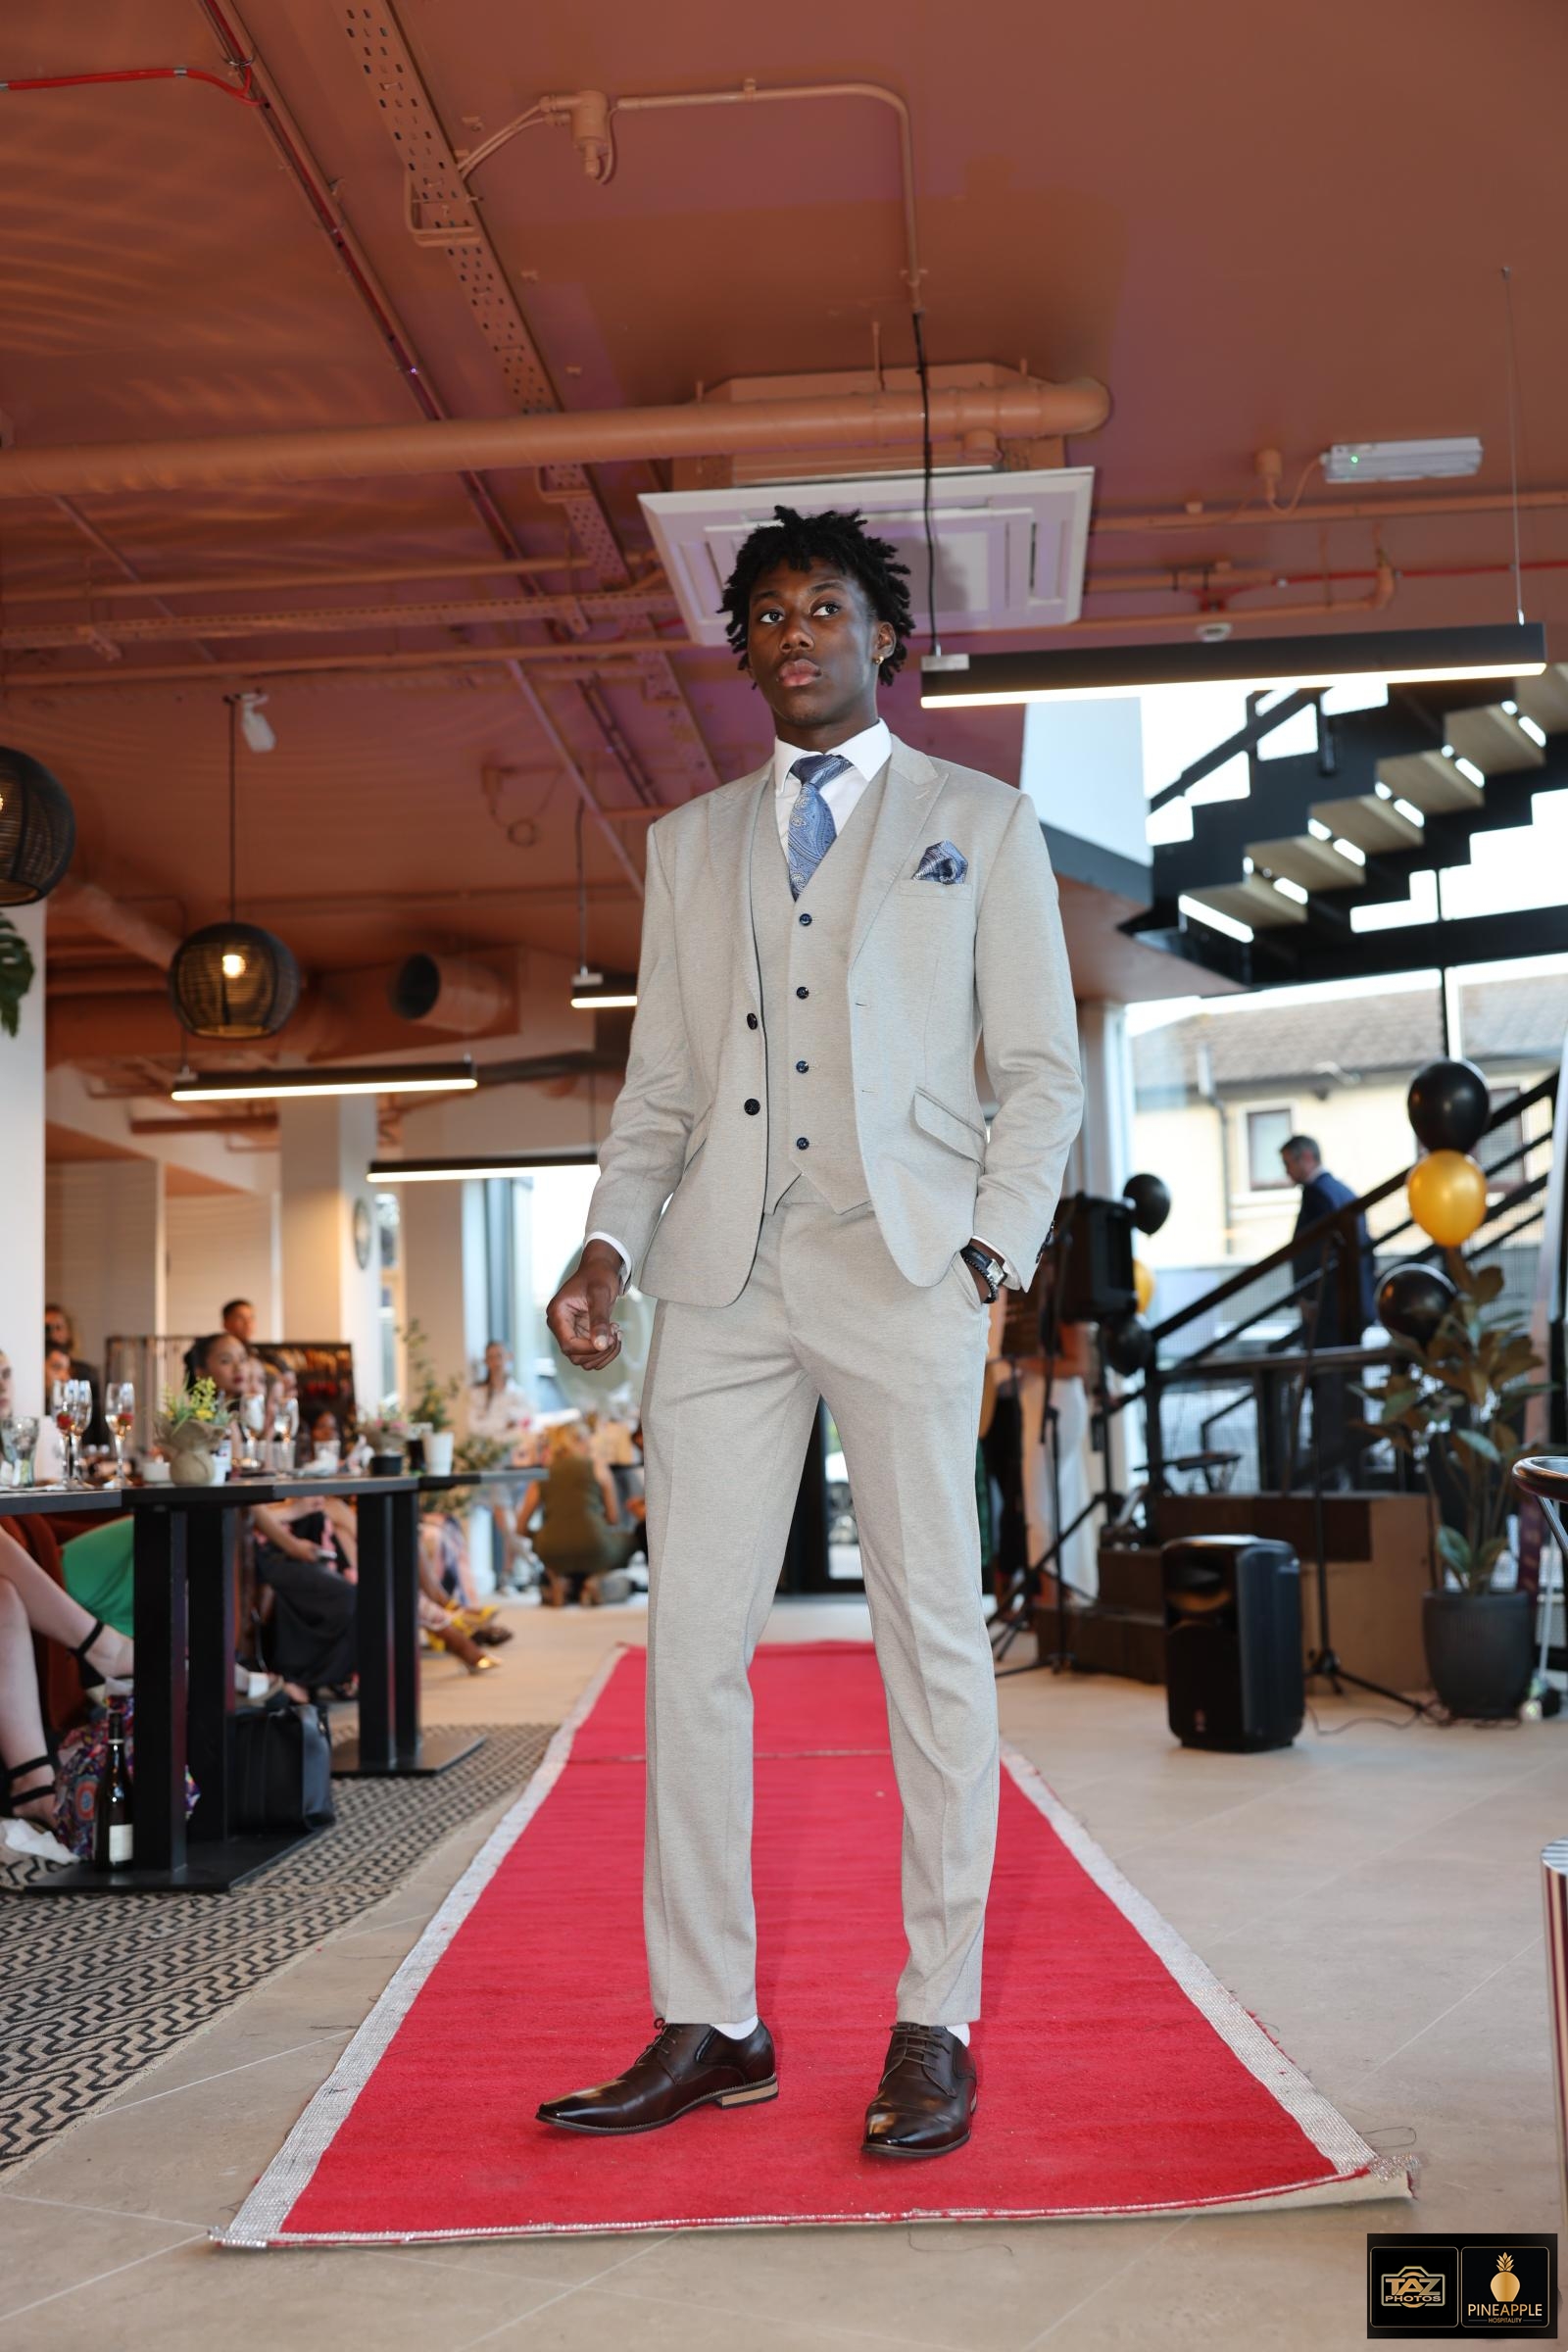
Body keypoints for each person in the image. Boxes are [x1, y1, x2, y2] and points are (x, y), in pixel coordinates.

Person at [540, 505, 1082, 2158]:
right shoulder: (689, 844)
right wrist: (608, 1241)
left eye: (827, 606)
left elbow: (1038, 1073)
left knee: (931, 1640)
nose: (797, 634)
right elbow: (660, 1091)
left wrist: (987, 1252)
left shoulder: (980, 822)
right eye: (769, 614)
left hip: (906, 1268)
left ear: (885, 635)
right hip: (720, 1280)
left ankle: (937, 2018)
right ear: (745, 649)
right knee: (691, 1649)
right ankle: (712, 2019)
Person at [1281, 1133, 1376, 1485]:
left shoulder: (1317, 1194)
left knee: (1329, 1393)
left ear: (1306, 1157)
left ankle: (1331, 1474)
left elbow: (1312, 1253)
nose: (1286, 1172)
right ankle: (1354, 1466)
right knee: (1348, 1389)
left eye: (1288, 1163)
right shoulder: (1344, 1192)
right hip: (1351, 1309)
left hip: (1329, 1312)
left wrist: (1308, 1299)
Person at [514, 1419, 645, 1608]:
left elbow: (520, 1528)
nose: (590, 1445)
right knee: (632, 1539)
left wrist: (538, 1538)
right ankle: (596, 1579)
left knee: (542, 1543)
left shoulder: (543, 1473)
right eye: (587, 1440)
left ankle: (557, 1579)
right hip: (596, 1547)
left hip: (552, 1551)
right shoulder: (598, 1467)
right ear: (578, 1439)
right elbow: (613, 1519)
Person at [43, 1302, 106, 1447]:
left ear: (69, 1332)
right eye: (47, 1328)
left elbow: (95, 1426)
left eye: (58, 1327)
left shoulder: (87, 1374)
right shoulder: (35, 1377)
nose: (52, 1333)